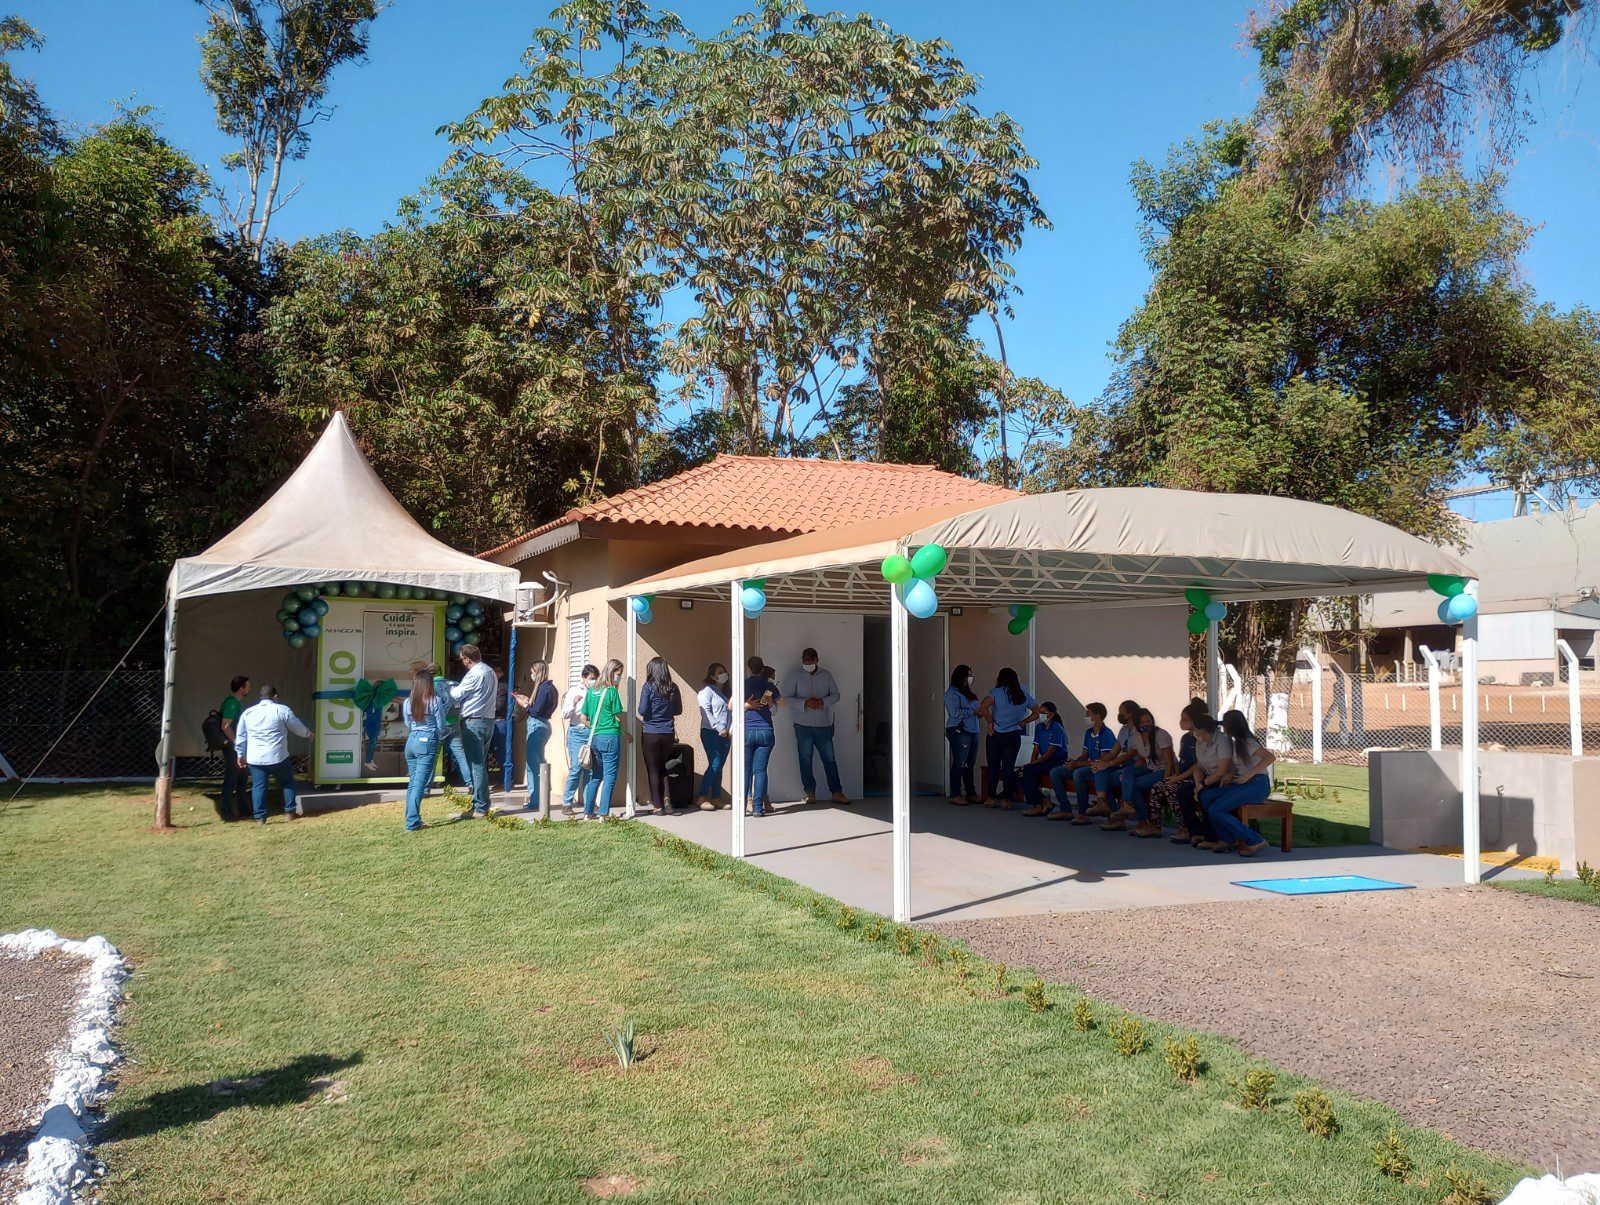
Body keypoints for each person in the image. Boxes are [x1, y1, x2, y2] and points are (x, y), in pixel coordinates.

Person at [1203, 709, 1276, 856]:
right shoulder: (1238, 743)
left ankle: (1254, 839)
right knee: (1207, 796)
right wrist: (1231, 774)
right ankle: (1227, 839)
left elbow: (1270, 757)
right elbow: (1241, 766)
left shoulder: (1248, 742)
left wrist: (1248, 775)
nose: (1224, 729)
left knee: (1216, 809)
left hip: (1257, 785)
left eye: (1226, 726)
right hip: (1243, 783)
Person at [234, 684, 311, 825]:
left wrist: (240, 754)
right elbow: (297, 727)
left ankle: (260, 818)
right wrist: (308, 733)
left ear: (260, 697)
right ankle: (289, 812)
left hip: (255, 758)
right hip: (278, 756)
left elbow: (241, 736)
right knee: (288, 783)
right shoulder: (282, 710)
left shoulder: (248, 713)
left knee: (259, 786)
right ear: (275, 697)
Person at [783, 647, 848, 805]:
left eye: (810, 660)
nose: (808, 663)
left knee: (830, 759)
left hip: (822, 725)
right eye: (805, 660)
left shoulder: (826, 675)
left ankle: (837, 792)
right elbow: (787, 698)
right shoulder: (795, 675)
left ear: (817, 659)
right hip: (802, 725)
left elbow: (836, 694)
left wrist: (822, 702)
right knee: (805, 760)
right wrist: (805, 703)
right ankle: (810, 793)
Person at [977, 668, 1039, 809]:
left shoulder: (996, 693)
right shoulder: (1022, 694)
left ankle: (991, 798)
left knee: (993, 767)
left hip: (995, 734)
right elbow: (1037, 711)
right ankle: (1007, 800)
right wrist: (1023, 722)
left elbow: (983, 706)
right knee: (1008, 768)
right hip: (1013, 735)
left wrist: (990, 721)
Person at [402, 666, 455, 832]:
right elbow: (441, 725)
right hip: (427, 740)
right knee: (420, 783)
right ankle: (412, 822)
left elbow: (407, 723)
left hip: (411, 741)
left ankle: (411, 818)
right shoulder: (434, 700)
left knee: (413, 783)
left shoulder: (407, 701)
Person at [1047, 702, 1119, 823]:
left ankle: (1083, 813)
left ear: (1097, 716)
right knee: (1056, 772)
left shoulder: (1107, 734)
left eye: (1088, 714)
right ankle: (1065, 810)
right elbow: (1084, 755)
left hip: (1099, 770)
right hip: (1087, 766)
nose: (1085, 717)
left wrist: (1077, 765)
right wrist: (1074, 762)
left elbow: (1101, 760)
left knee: (1078, 773)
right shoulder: (1088, 733)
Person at [1148, 698, 1207, 843]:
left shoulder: (1200, 738)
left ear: (1194, 721)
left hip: (1196, 778)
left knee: (1172, 789)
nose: (1181, 722)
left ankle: (1185, 828)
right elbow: (1183, 761)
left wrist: (1177, 779)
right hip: (1181, 776)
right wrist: (1175, 774)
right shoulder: (1185, 738)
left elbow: (1197, 765)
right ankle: (1154, 826)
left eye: (1184, 719)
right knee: (1157, 787)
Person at [454, 643, 498, 818]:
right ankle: (483, 803)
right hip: (488, 721)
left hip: (474, 721)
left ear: (466, 658)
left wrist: (449, 689)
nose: (462, 662)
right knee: (481, 764)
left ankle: (479, 806)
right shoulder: (490, 672)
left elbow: (457, 695)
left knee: (476, 765)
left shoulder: (474, 674)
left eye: (462, 659)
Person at [1118, 707, 1176, 837]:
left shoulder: (1162, 735)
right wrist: (1129, 775)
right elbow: (1142, 759)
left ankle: (1142, 819)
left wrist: (1167, 780)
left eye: (1148, 720)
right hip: (1150, 767)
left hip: (1163, 769)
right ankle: (1129, 807)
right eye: (1142, 722)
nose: (1146, 724)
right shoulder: (1136, 737)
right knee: (1127, 772)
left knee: (1136, 785)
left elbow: (1169, 762)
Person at [637, 656, 684, 815]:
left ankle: (658, 807)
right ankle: (667, 800)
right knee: (663, 766)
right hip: (668, 732)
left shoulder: (648, 687)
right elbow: (678, 711)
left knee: (653, 769)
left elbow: (642, 710)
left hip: (651, 732)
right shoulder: (673, 687)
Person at [580, 660, 626, 818]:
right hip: (610, 737)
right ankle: (603, 813)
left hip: (594, 738)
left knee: (596, 775)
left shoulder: (592, 691)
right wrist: (624, 731)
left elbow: (582, 718)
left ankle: (588, 812)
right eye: (619, 675)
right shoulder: (612, 692)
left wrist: (594, 726)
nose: (619, 678)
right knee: (610, 776)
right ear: (612, 672)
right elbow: (619, 715)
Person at [512, 660, 559, 813]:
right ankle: (540, 796)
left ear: (538, 672)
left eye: (533, 671)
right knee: (539, 762)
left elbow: (536, 711)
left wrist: (524, 704)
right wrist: (528, 702)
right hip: (544, 725)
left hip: (537, 725)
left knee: (533, 766)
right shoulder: (551, 688)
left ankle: (536, 800)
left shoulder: (544, 689)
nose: (531, 674)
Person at [1182, 711, 1231, 849]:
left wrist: (1202, 786)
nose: (1195, 734)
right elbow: (1198, 766)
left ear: (1202, 730)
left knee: (1205, 795)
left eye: (1196, 731)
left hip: (1222, 780)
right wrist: (1198, 785)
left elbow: (1222, 771)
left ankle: (1211, 836)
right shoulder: (1199, 741)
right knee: (1183, 792)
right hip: (1206, 779)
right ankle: (1196, 832)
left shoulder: (1222, 741)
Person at [742, 655, 782, 816]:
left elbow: (731, 706)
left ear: (748, 669)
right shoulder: (769, 687)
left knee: (745, 770)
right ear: (762, 669)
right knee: (760, 771)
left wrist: (746, 705)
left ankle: (744, 805)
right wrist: (771, 702)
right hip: (766, 731)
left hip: (747, 731)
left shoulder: (743, 685)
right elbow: (777, 710)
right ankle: (758, 808)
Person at [560, 664, 599, 816]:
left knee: (589, 769)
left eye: (595, 678)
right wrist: (574, 704)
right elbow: (565, 714)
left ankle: (589, 803)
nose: (593, 681)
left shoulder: (596, 691)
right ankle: (567, 803)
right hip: (576, 731)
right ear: (583, 678)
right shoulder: (574, 691)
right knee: (576, 768)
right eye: (590, 678)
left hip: (591, 732)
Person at [1020, 702, 1070, 816]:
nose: (1040, 715)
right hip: (1044, 761)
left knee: (1028, 770)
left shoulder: (1056, 728)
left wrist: (1032, 766)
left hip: (1057, 762)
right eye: (1039, 712)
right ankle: (1044, 800)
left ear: (1051, 714)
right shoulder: (1039, 727)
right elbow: (1036, 750)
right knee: (1021, 772)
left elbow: (1049, 753)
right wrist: (1031, 764)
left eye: (1043, 713)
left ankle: (1036, 805)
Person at [942, 665, 981, 805]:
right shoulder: (951, 693)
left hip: (973, 730)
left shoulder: (967, 692)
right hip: (959, 730)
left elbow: (974, 708)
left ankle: (970, 792)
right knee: (959, 762)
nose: (970, 678)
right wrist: (973, 712)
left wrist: (979, 712)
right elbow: (955, 713)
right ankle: (955, 793)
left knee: (970, 763)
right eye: (968, 675)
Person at [696, 662, 733, 810]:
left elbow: (730, 713)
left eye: (724, 671)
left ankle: (716, 797)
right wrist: (719, 728)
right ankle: (702, 796)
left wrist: (729, 730)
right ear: (712, 676)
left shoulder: (725, 694)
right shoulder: (707, 691)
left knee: (720, 766)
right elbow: (706, 711)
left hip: (725, 734)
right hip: (710, 732)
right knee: (715, 763)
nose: (723, 674)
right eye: (719, 672)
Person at [218, 674, 251, 820]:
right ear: (241, 688)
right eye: (248, 686)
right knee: (232, 779)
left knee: (242, 778)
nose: (250, 688)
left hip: (237, 747)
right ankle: (226, 811)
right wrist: (236, 742)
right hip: (233, 748)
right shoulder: (233, 703)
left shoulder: (234, 702)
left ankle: (243, 809)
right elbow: (225, 725)